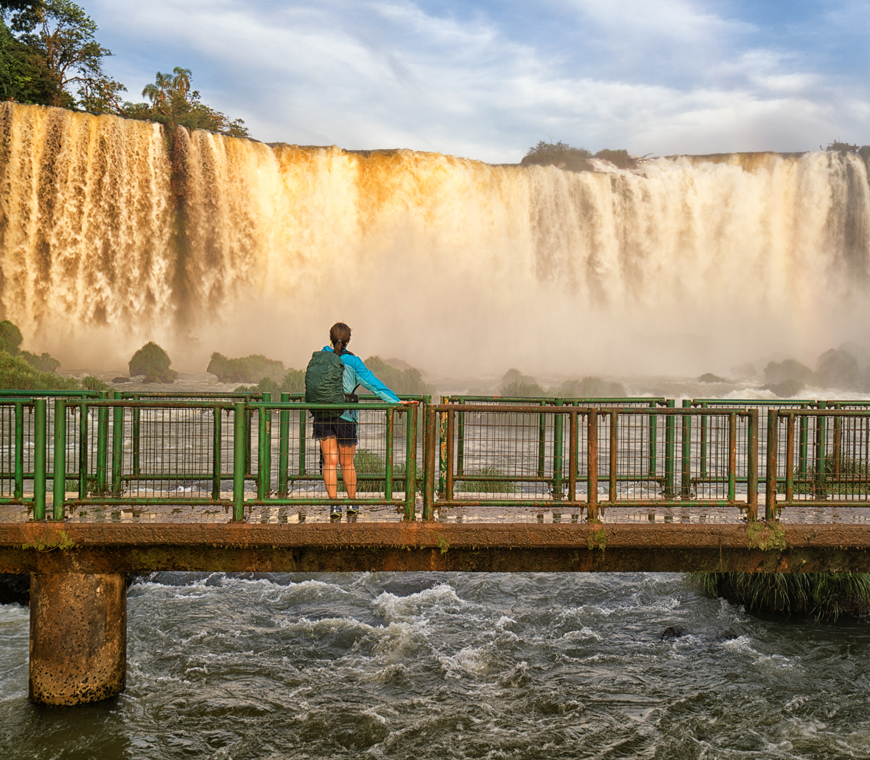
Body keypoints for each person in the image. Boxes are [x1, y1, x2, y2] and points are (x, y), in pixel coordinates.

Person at [312, 322, 411, 521]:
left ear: (330, 339)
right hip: (346, 416)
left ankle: (333, 507)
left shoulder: (319, 358)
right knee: (347, 463)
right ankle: (352, 504)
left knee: (330, 464)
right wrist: (396, 401)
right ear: (348, 340)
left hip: (322, 414)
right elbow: (374, 384)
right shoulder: (353, 362)